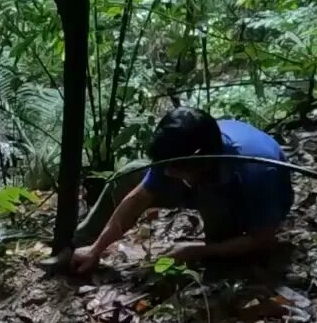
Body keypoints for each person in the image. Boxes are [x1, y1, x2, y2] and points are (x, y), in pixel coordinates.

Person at [71, 107, 293, 274]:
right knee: (131, 172)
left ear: (198, 159)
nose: (166, 173)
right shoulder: (176, 155)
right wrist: (97, 248)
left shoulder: (258, 171)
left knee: (215, 214)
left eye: (174, 168)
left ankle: (218, 251)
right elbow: (139, 198)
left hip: (243, 202)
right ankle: (80, 246)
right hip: (198, 181)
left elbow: (263, 238)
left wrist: (195, 251)